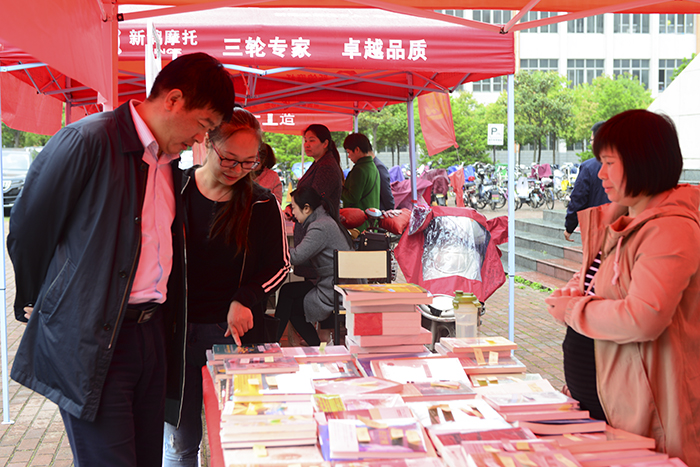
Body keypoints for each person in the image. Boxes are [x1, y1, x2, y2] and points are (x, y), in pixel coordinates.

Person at [7, 53, 235, 466]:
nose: (201, 138)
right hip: (96, 337)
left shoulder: (167, 163)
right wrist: (52, 302)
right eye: (203, 123)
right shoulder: (88, 140)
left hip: (152, 334)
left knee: (146, 458)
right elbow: (29, 229)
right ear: (173, 100)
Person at [545, 109, 700, 464]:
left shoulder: (670, 229)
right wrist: (575, 292)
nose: (600, 173)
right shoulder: (624, 220)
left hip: (647, 414)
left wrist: (574, 310)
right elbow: (596, 280)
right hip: (608, 404)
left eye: (609, 163)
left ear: (642, 161)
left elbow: (644, 317)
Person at [163, 108, 289, 466]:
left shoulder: (261, 202)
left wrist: (246, 298)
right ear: (207, 142)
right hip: (175, 335)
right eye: (229, 159)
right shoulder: (175, 189)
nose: (237, 170)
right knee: (179, 442)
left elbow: (280, 264)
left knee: (238, 438)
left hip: (233, 335)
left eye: (249, 163)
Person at [275, 186, 353, 346]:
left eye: (294, 207)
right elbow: (304, 257)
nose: (293, 212)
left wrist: (272, 248)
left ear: (306, 208)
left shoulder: (320, 227)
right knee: (287, 292)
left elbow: (296, 257)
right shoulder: (324, 220)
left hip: (335, 288)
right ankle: (278, 341)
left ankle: (278, 343)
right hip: (334, 282)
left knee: (291, 305)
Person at [290, 124, 344, 278]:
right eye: (305, 140)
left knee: (314, 279)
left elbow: (312, 200)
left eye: (312, 140)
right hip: (313, 228)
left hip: (317, 231)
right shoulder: (319, 163)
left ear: (325, 143)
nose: (306, 144)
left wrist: (293, 210)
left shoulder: (326, 167)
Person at [564, 121, 609, 241]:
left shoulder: (589, 167)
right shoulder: (628, 165)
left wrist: (569, 227)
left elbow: (578, 200)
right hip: (624, 231)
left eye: (591, 140)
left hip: (596, 230)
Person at [342, 132, 380, 231]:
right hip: (371, 223)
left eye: (349, 152)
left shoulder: (359, 170)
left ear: (357, 150)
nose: (349, 156)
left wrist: (339, 188)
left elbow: (353, 197)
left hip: (359, 226)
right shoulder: (373, 167)